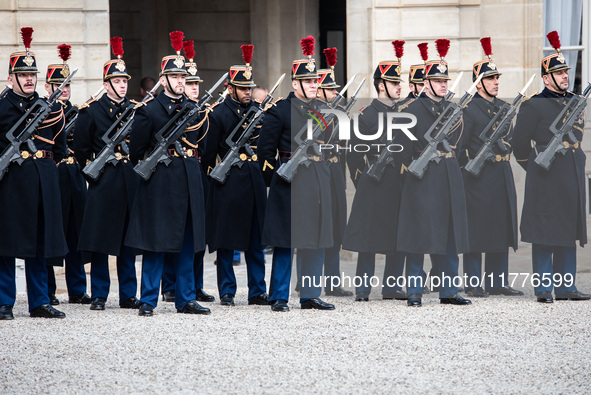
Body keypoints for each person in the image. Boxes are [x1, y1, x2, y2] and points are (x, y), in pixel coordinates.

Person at [126, 31, 211, 316]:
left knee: (187, 241)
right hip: (161, 181)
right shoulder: (149, 111)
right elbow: (137, 151)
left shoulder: (193, 110)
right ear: (163, 79)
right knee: (155, 243)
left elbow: (202, 145)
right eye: (174, 77)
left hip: (187, 177)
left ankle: (185, 298)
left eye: (183, 77)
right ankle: (148, 300)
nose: (180, 82)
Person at [258, 36, 335, 312]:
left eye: (316, 81)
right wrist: (277, 180)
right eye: (309, 81)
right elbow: (264, 153)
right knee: (285, 242)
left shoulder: (322, 111)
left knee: (315, 238)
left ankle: (310, 294)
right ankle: (279, 295)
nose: (315, 85)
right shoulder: (279, 111)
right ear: (296, 84)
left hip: (316, 179)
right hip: (289, 183)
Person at [513, 31, 591, 303]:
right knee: (545, 233)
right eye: (558, 74)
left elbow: (578, 135)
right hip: (545, 176)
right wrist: (535, 167)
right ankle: (544, 288)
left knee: (568, 230)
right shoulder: (533, 105)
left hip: (570, 174)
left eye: (566, 72)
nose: (565, 77)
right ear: (546, 78)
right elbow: (519, 144)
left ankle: (566, 286)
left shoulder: (573, 101)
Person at [396, 39, 471, 307]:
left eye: (445, 81)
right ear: (425, 83)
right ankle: (414, 291)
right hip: (422, 177)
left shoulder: (454, 111)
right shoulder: (411, 110)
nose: (443, 85)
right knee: (418, 235)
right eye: (437, 81)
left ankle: (449, 290)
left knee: (449, 234)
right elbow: (401, 151)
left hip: (448, 174)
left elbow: (459, 147)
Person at [0, 27, 68, 319]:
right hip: (11, 182)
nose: (29, 79)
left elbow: (61, 148)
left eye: (32, 75)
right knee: (6, 243)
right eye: (23, 75)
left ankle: (39, 300)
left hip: (42, 179)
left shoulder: (48, 108)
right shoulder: (1, 108)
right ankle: (4, 301)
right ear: (10, 78)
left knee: (40, 241)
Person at [74, 37, 139, 311]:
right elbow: (81, 149)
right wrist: (96, 170)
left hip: (128, 179)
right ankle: (99, 294)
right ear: (105, 84)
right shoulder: (92, 111)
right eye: (118, 81)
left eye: (125, 80)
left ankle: (128, 294)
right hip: (103, 180)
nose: (123, 85)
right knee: (101, 239)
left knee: (128, 241)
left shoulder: (136, 110)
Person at [202, 44, 268, 307]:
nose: (248, 93)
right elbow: (208, 154)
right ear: (230, 88)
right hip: (228, 181)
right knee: (227, 242)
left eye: (250, 89)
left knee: (256, 240)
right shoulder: (217, 113)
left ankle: (257, 290)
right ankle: (227, 290)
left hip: (252, 178)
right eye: (243, 89)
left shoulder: (257, 111)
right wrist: (214, 179)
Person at [342, 41, 407, 302]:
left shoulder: (404, 116)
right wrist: (364, 180)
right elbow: (353, 155)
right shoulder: (366, 116)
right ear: (381, 86)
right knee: (367, 238)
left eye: (399, 82)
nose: (399, 86)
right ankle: (363, 288)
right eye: (394, 83)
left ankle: (391, 286)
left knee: (398, 234)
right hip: (373, 181)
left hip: (398, 181)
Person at [460, 37, 523, 298]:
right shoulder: (469, 110)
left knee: (500, 225)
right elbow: (459, 147)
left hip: (501, 173)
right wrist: (470, 167)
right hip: (477, 177)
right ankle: (474, 282)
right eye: (490, 78)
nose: (496, 82)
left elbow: (513, 140)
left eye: (497, 78)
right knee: (476, 228)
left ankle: (498, 281)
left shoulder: (505, 109)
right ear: (479, 82)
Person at [159, 39, 215, 304]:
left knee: (195, 233)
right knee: (174, 231)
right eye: (188, 83)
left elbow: (206, 148)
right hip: (172, 173)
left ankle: (194, 284)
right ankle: (170, 285)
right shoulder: (169, 109)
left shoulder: (202, 112)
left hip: (195, 173)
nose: (192, 88)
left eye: (194, 84)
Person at [45, 44, 91, 305]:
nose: (63, 90)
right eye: (58, 85)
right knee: (53, 232)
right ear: (48, 88)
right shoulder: (43, 113)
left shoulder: (78, 112)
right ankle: (49, 289)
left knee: (76, 233)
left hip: (74, 174)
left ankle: (77, 289)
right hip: (55, 174)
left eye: (67, 86)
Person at [314, 47, 352, 298]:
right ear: (319, 91)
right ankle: (308, 278)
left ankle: (333, 280)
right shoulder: (313, 112)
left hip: (336, 170)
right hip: (319, 170)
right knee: (317, 226)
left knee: (337, 224)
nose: (337, 93)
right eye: (332, 90)